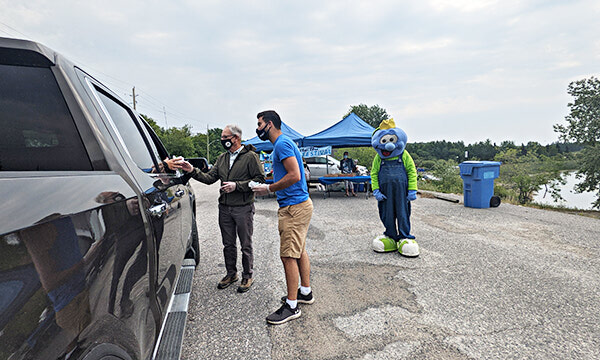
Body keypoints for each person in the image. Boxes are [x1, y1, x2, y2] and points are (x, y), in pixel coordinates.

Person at [174, 125, 264, 292]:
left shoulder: (250, 157)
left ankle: (247, 275)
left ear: (236, 138)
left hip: (243, 207)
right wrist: (192, 170)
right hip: (225, 208)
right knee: (228, 244)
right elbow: (209, 178)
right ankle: (231, 274)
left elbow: (259, 179)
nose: (222, 140)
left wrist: (237, 186)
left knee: (246, 244)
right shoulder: (222, 158)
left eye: (225, 137)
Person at [252, 110, 314, 325]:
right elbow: (290, 174)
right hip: (299, 205)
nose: (258, 128)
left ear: (269, 124)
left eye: (259, 124)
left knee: (288, 255)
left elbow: (295, 175)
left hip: (293, 208)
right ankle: (304, 292)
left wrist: (268, 188)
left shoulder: (281, 144)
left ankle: (291, 305)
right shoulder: (283, 144)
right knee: (299, 251)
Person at [370, 119, 420, 257]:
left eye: (391, 140)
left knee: (403, 213)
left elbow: (411, 171)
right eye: (384, 141)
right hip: (385, 193)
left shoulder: (403, 155)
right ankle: (390, 236)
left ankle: (405, 236)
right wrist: (376, 190)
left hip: (402, 192)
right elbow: (373, 173)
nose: (389, 146)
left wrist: (412, 190)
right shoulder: (379, 158)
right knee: (387, 213)